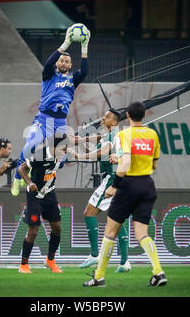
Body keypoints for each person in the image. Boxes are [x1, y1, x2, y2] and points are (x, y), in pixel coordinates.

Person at [83, 101, 167, 287]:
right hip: (147, 185)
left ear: (127, 116)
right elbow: (154, 164)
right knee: (142, 233)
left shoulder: (123, 135)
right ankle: (158, 272)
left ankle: (99, 277)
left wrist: (114, 186)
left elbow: (125, 164)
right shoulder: (153, 134)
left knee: (110, 232)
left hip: (128, 184)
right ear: (144, 116)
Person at [11, 25, 90, 196]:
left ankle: (35, 173)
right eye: (61, 60)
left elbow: (84, 71)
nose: (64, 62)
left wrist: (84, 47)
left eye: (67, 61)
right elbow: (48, 62)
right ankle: (17, 178)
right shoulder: (49, 75)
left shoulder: (72, 79)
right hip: (43, 119)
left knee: (59, 161)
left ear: (70, 65)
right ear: (57, 63)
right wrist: (66, 43)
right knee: (30, 146)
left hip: (60, 123)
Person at [68, 110, 130, 273]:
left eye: (108, 117)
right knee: (117, 220)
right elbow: (99, 138)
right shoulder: (114, 134)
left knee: (89, 212)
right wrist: (81, 139)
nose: (104, 118)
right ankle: (124, 262)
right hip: (121, 179)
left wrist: (79, 156)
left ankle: (95, 254)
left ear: (115, 122)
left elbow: (101, 152)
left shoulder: (111, 137)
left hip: (111, 179)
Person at [17, 135, 69, 274]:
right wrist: (30, 183)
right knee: (33, 231)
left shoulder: (61, 155)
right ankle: (24, 265)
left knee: (57, 228)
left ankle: (50, 260)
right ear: (55, 147)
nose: (65, 151)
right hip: (35, 195)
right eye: (63, 148)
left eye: (66, 148)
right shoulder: (40, 155)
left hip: (50, 194)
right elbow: (21, 169)